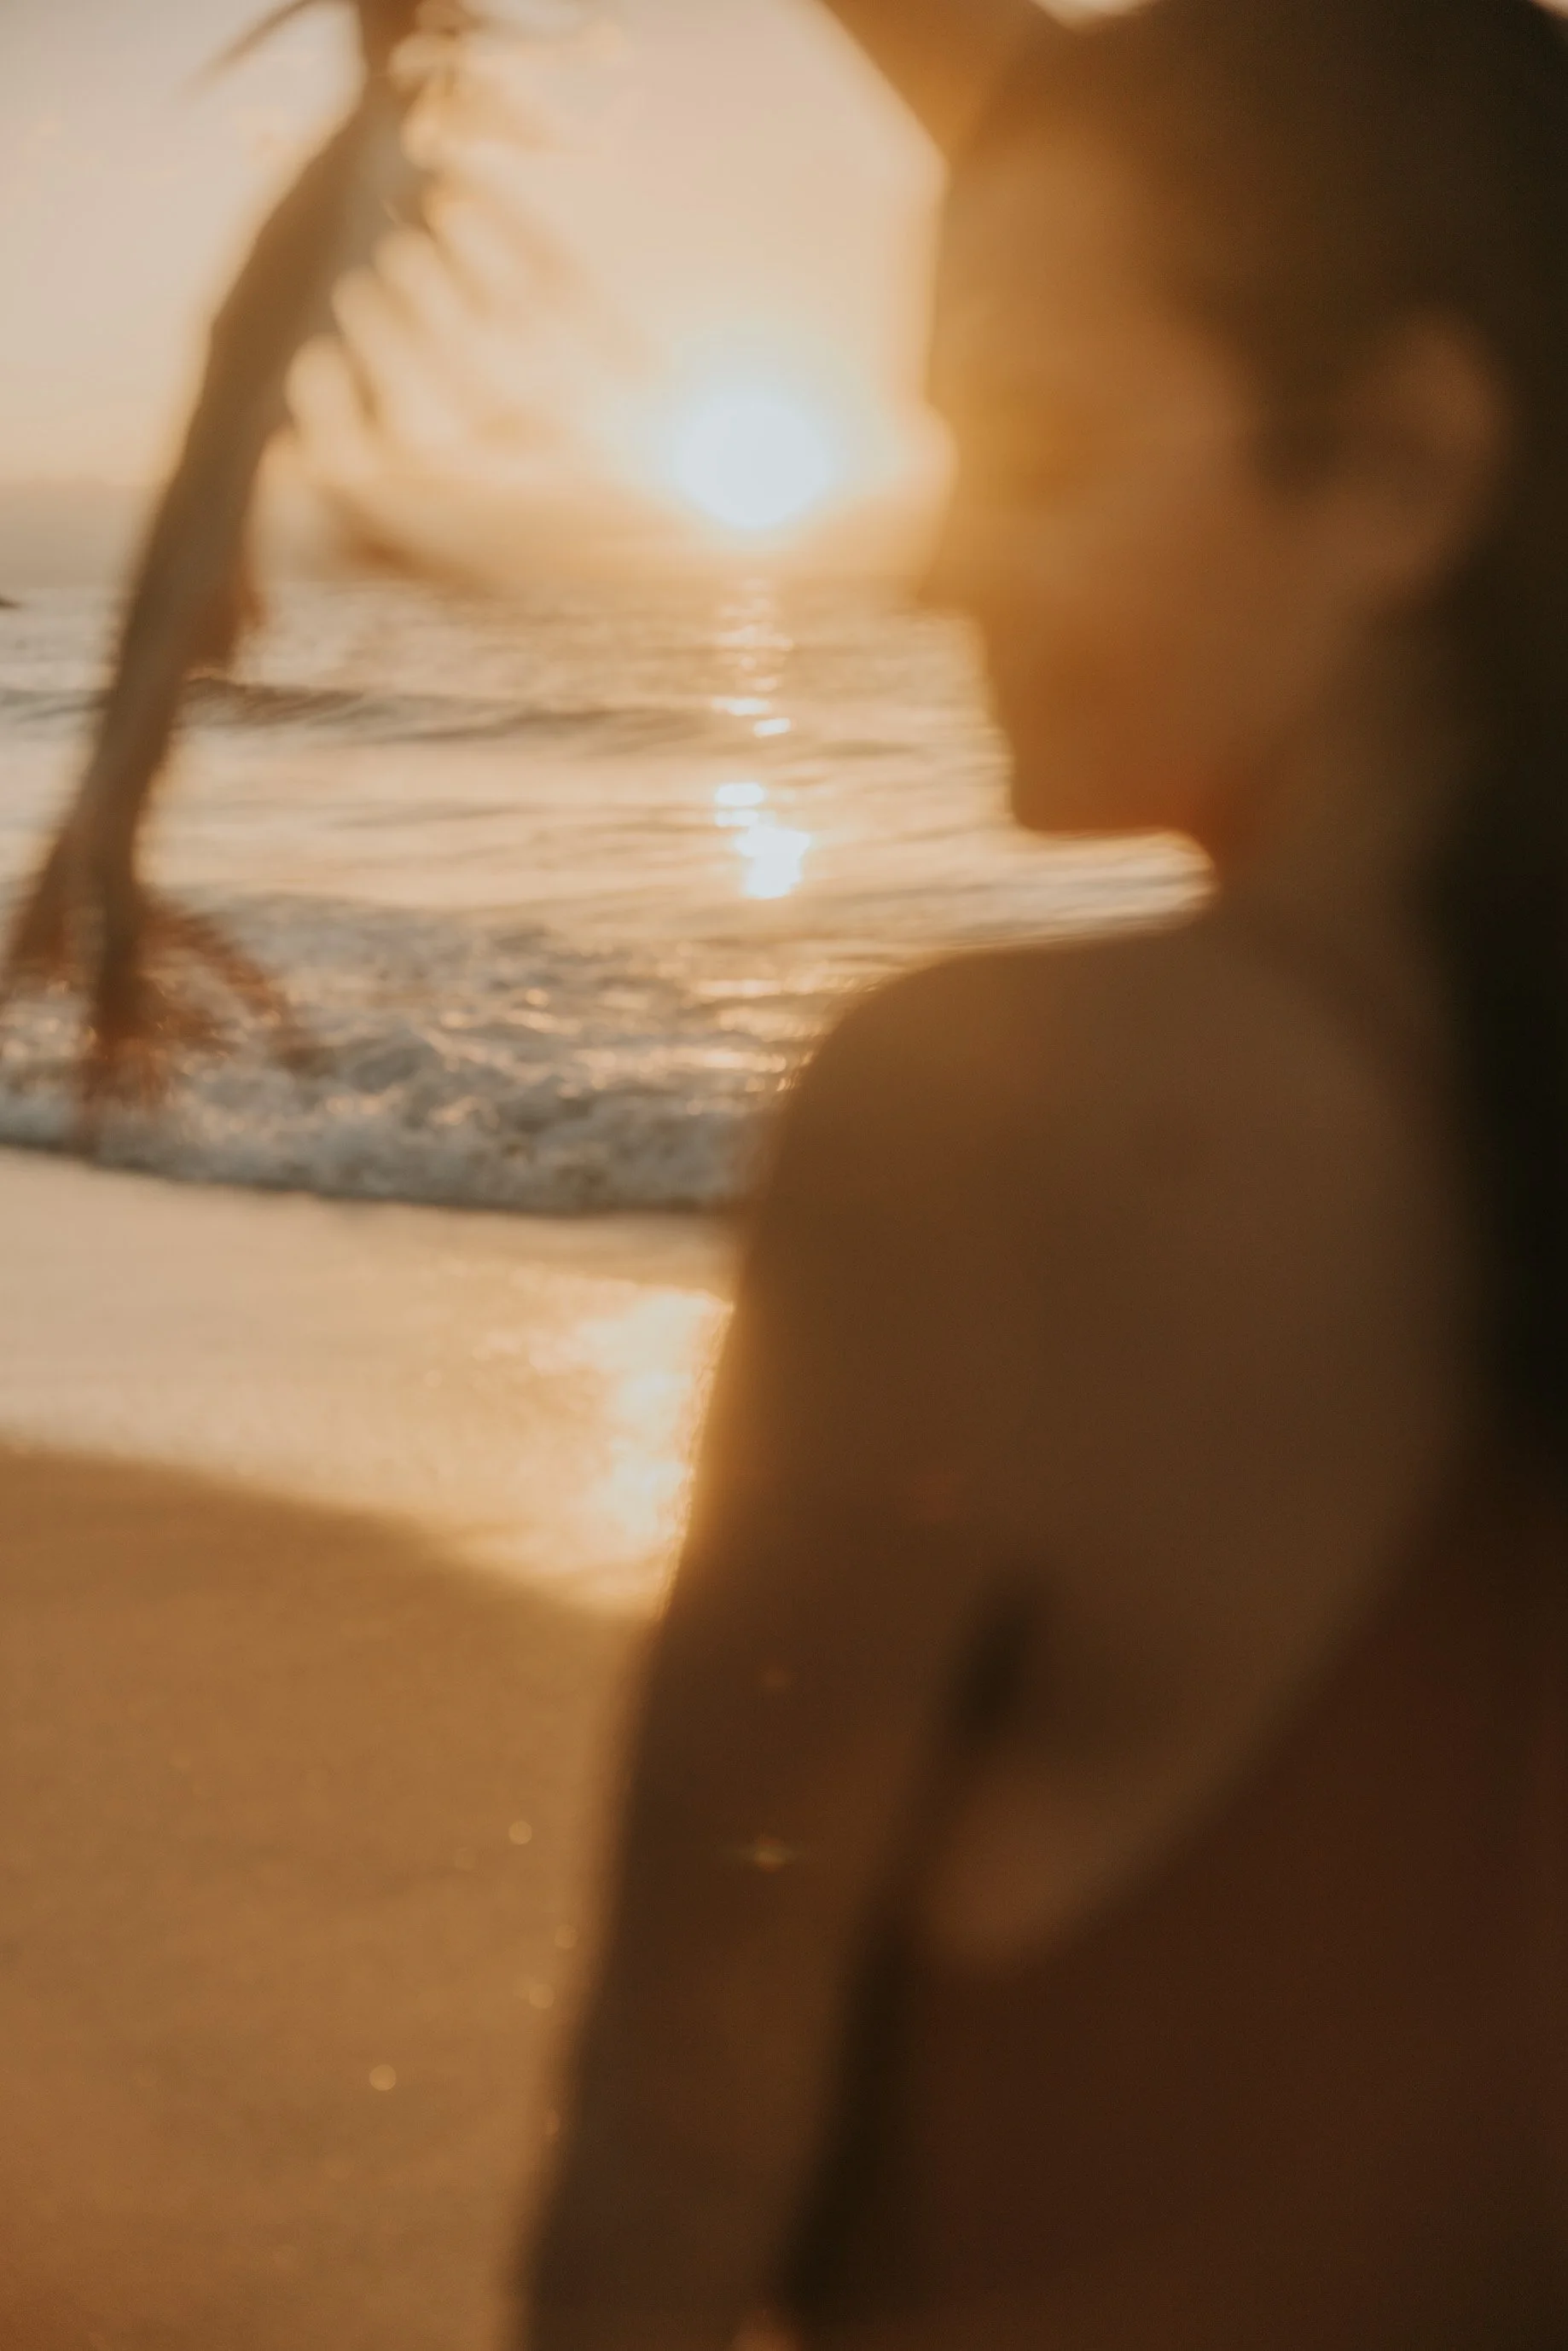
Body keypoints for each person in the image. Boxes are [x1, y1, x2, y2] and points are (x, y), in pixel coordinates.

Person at [518, 0, 1568, 2341]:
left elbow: (676, 2142)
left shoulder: (999, 1139)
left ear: (1401, 466)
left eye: (1041, 445)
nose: (929, 578)